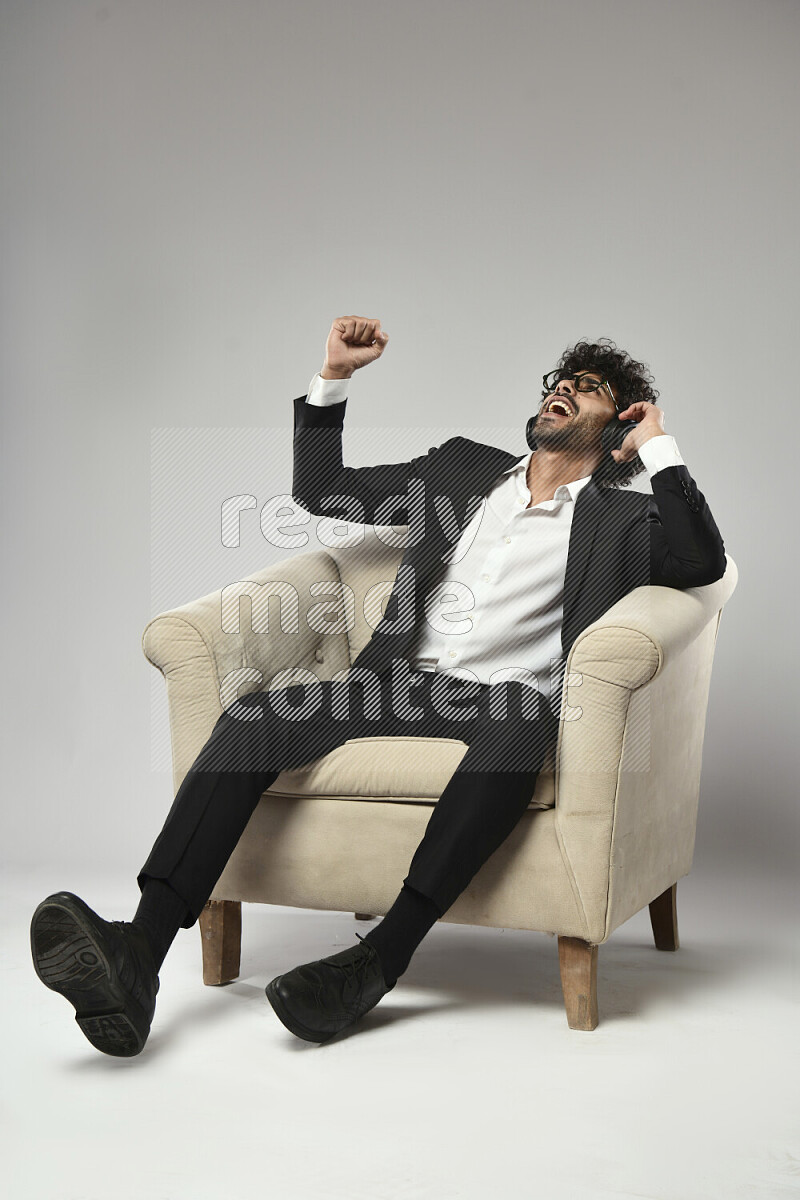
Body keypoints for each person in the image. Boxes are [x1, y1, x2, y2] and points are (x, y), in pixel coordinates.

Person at [30, 316, 727, 1055]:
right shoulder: (460, 469)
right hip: (394, 683)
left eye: (588, 389)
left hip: (502, 702)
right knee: (253, 718)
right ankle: (138, 955)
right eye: (560, 381)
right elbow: (321, 489)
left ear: (615, 423)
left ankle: (379, 959)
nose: (563, 389)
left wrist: (656, 447)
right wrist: (334, 378)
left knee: (526, 716)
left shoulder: (624, 517)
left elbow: (702, 562)